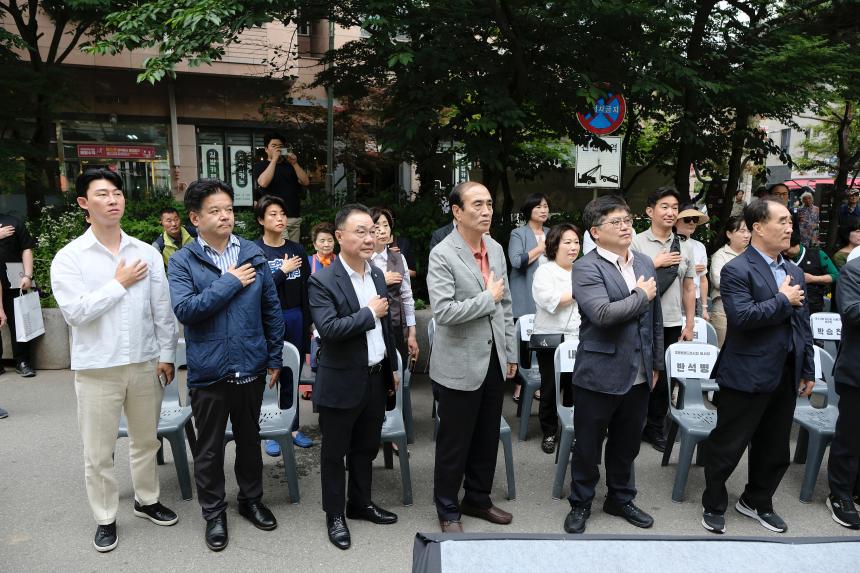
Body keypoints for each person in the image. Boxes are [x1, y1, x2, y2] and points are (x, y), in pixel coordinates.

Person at [51, 168, 179, 553]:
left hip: (144, 362)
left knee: (145, 441)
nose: (113, 200)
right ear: (83, 204)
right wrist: (118, 283)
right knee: (98, 449)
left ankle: (147, 499)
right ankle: (105, 517)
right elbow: (76, 313)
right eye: (103, 194)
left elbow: (162, 308)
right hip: (96, 368)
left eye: (118, 193)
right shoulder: (70, 257)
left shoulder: (146, 252)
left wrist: (167, 354)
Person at [168, 179, 285, 552]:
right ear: (195, 218)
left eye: (229, 209)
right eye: (215, 211)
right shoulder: (183, 260)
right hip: (209, 369)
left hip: (250, 363)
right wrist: (230, 282)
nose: (225, 216)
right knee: (210, 447)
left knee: (250, 441)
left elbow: (271, 309)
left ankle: (251, 500)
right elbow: (186, 310)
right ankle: (214, 512)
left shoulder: (251, 252)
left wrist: (275, 356)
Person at [700, 197, 815, 535]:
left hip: (786, 371)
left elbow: (801, 323)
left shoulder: (793, 270)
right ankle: (714, 503)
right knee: (728, 444)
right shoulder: (737, 268)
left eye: (790, 221)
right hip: (746, 372)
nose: (789, 226)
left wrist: (808, 367)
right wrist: (782, 300)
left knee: (776, 446)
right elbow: (743, 317)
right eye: (781, 220)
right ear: (758, 227)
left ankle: (757, 500)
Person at [563, 195, 663, 535]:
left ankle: (620, 498)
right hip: (599, 372)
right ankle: (580, 502)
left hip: (639, 370)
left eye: (627, 219)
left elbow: (655, 319)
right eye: (615, 222)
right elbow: (602, 314)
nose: (625, 226)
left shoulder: (645, 263)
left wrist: (656, 362)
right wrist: (639, 295)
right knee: (588, 445)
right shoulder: (586, 267)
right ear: (595, 232)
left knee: (627, 443)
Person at [308, 203, 401, 550]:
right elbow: (329, 329)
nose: (368, 237)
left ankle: (360, 503)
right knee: (335, 453)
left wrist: (390, 367)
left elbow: (385, 330)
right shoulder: (322, 280)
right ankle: (335, 514)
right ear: (339, 236)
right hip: (341, 380)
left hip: (375, 377)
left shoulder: (376, 274)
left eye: (372, 230)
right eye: (360, 231)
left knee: (365, 448)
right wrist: (368, 313)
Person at [427, 181, 518, 533]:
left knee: (485, 436)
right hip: (458, 364)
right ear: (456, 211)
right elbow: (444, 312)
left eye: (489, 204)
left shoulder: (494, 248)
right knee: (455, 441)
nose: (486, 211)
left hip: (493, 358)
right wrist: (487, 298)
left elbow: (506, 306)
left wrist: (510, 351)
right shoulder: (442, 253)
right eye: (477, 204)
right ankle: (447, 508)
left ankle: (478, 498)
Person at [631, 187, 695, 452]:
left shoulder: (685, 246)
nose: (671, 212)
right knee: (638, 376)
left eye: (674, 207)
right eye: (664, 206)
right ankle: (630, 426)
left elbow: (689, 287)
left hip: (670, 322)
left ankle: (655, 428)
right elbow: (627, 283)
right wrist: (654, 263)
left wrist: (689, 322)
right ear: (650, 211)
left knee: (664, 378)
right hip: (641, 320)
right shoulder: (636, 243)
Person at [254, 195, 314, 453]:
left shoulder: (297, 249)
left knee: (292, 372)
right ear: (260, 220)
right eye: (273, 214)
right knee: (269, 373)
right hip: (268, 320)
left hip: (296, 317)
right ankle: (268, 430)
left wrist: (310, 321)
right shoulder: (255, 251)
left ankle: (293, 426)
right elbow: (257, 289)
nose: (280, 219)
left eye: (282, 214)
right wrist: (282, 270)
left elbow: (307, 288)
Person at [531, 223, 581, 454]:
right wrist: (580, 291)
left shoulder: (583, 270)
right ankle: (550, 431)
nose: (573, 247)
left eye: (576, 242)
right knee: (550, 387)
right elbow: (549, 300)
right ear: (554, 245)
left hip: (578, 339)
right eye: (567, 242)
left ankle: (571, 430)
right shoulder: (544, 271)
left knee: (575, 387)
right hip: (550, 339)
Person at [825, 256, 860, 529]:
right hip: (857, 372)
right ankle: (840, 494)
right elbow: (851, 311)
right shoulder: (853, 271)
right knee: (850, 437)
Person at [508, 193, 550, 402]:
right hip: (525, 292)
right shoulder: (519, 233)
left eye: (545, 206)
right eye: (538, 207)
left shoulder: (553, 233)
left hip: (548, 295)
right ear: (529, 211)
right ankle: (520, 385)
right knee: (524, 342)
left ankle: (539, 383)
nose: (543, 210)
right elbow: (516, 261)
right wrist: (540, 248)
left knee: (544, 340)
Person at [370, 207, 419, 366]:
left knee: (398, 372)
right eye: (377, 227)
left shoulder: (399, 258)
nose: (383, 231)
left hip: (396, 326)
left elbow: (407, 297)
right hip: (370, 327)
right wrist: (381, 280)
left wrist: (412, 333)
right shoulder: (362, 260)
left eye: (386, 225)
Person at [252, 132, 311, 242]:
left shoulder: (291, 165)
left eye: (280, 147)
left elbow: (305, 182)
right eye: (274, 146)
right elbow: (263, 183)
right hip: (275, 217)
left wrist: (294, 163)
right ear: (266, 149)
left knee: (294, 251)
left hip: (294, 216)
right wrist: (274, 160)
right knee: (283, 250)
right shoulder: (261, 166)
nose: (277, 149)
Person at [0, 209, 36, 376]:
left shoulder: (13, 222)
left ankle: (22, 360)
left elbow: (26, 248)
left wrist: (28, 275)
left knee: (19, 321)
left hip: (15, 278)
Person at [709, 215, 750, 346]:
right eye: (742, 231)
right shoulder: (720, 255)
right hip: (723, 312)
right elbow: (719, 281)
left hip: (749, 312)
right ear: (729, 234)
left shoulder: (753, 255)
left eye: (749, 231)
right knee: (723, 351)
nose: (747, 235)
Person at [783, 232, 838, 315]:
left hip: (813, 305)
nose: (784, 253)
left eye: (786, 250)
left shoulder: (818, 254)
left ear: (796, 244)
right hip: (788, 306)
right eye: (782, 251)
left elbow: (836, 275)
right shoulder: (781, 258)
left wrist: (813, 278)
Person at [675, 205, 710, 320]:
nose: (691, 223)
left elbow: (703, 279)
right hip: (674, 299)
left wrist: (704, 307)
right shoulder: (669, 244)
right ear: (676, 221)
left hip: (696, 298)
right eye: (687, 219)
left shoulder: (700, 246)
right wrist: (690, 269)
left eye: (694, 219)